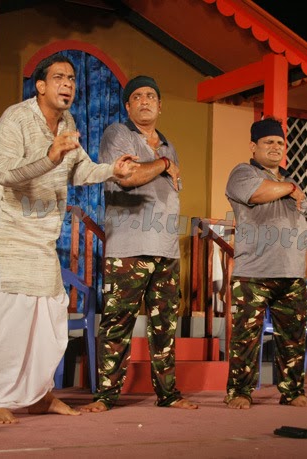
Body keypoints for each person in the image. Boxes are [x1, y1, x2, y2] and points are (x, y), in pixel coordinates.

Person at [0, 53, 137, 424]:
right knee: (8, 325)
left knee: (50, 323)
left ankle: (39, 395)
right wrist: (50, 157)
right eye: (58, 77)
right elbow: (5, 173)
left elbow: (80, 170)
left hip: (41, 240)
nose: (67, 84)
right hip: (7, 234)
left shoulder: (67, 122)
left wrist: (112, 171)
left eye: (71, 78)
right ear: (40, 86)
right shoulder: (16, 118)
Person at [79, 75, 197, 412]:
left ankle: (168, 394)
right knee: (118, 324)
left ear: (160, 106)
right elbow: (128, 176)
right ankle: (105, 396)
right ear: (128, 106)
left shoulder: (169, 145)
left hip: (166, 249)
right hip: (128, 248)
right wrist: (164, 164)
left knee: (165, 329)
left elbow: (171, 190)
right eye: (137, 97)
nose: (145, 101)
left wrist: (165, 161)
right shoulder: (118, 134)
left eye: (151, 96)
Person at [223, 117, 307, 410]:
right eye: (268, 141)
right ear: (253, 146)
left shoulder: (291, 183)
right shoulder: (243, 173)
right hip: (253, 273)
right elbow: (257, 194)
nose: (275, 147)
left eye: (280, 142)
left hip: (292, 273)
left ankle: (292, 392)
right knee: (245, 339)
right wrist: (290, 188)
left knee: (293, 339)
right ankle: (239, 392)